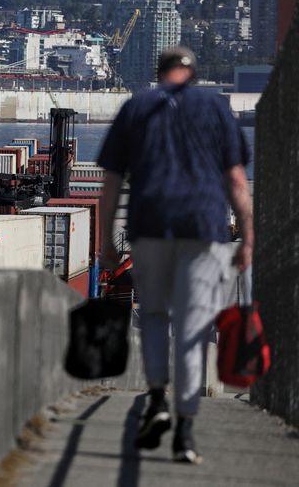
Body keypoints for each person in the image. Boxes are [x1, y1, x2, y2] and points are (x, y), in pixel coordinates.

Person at [97, 46, 253, 464]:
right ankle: (185, 429)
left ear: (160, 71)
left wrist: (105, 242)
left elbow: (110, 183)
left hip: (150, 226)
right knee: (193, 328)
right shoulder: (215, 108)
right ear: (194, 74)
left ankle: (157, 396)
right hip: (205, 229)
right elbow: (237, 181)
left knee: (153, 315)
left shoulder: (136, 106)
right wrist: (249, 238)